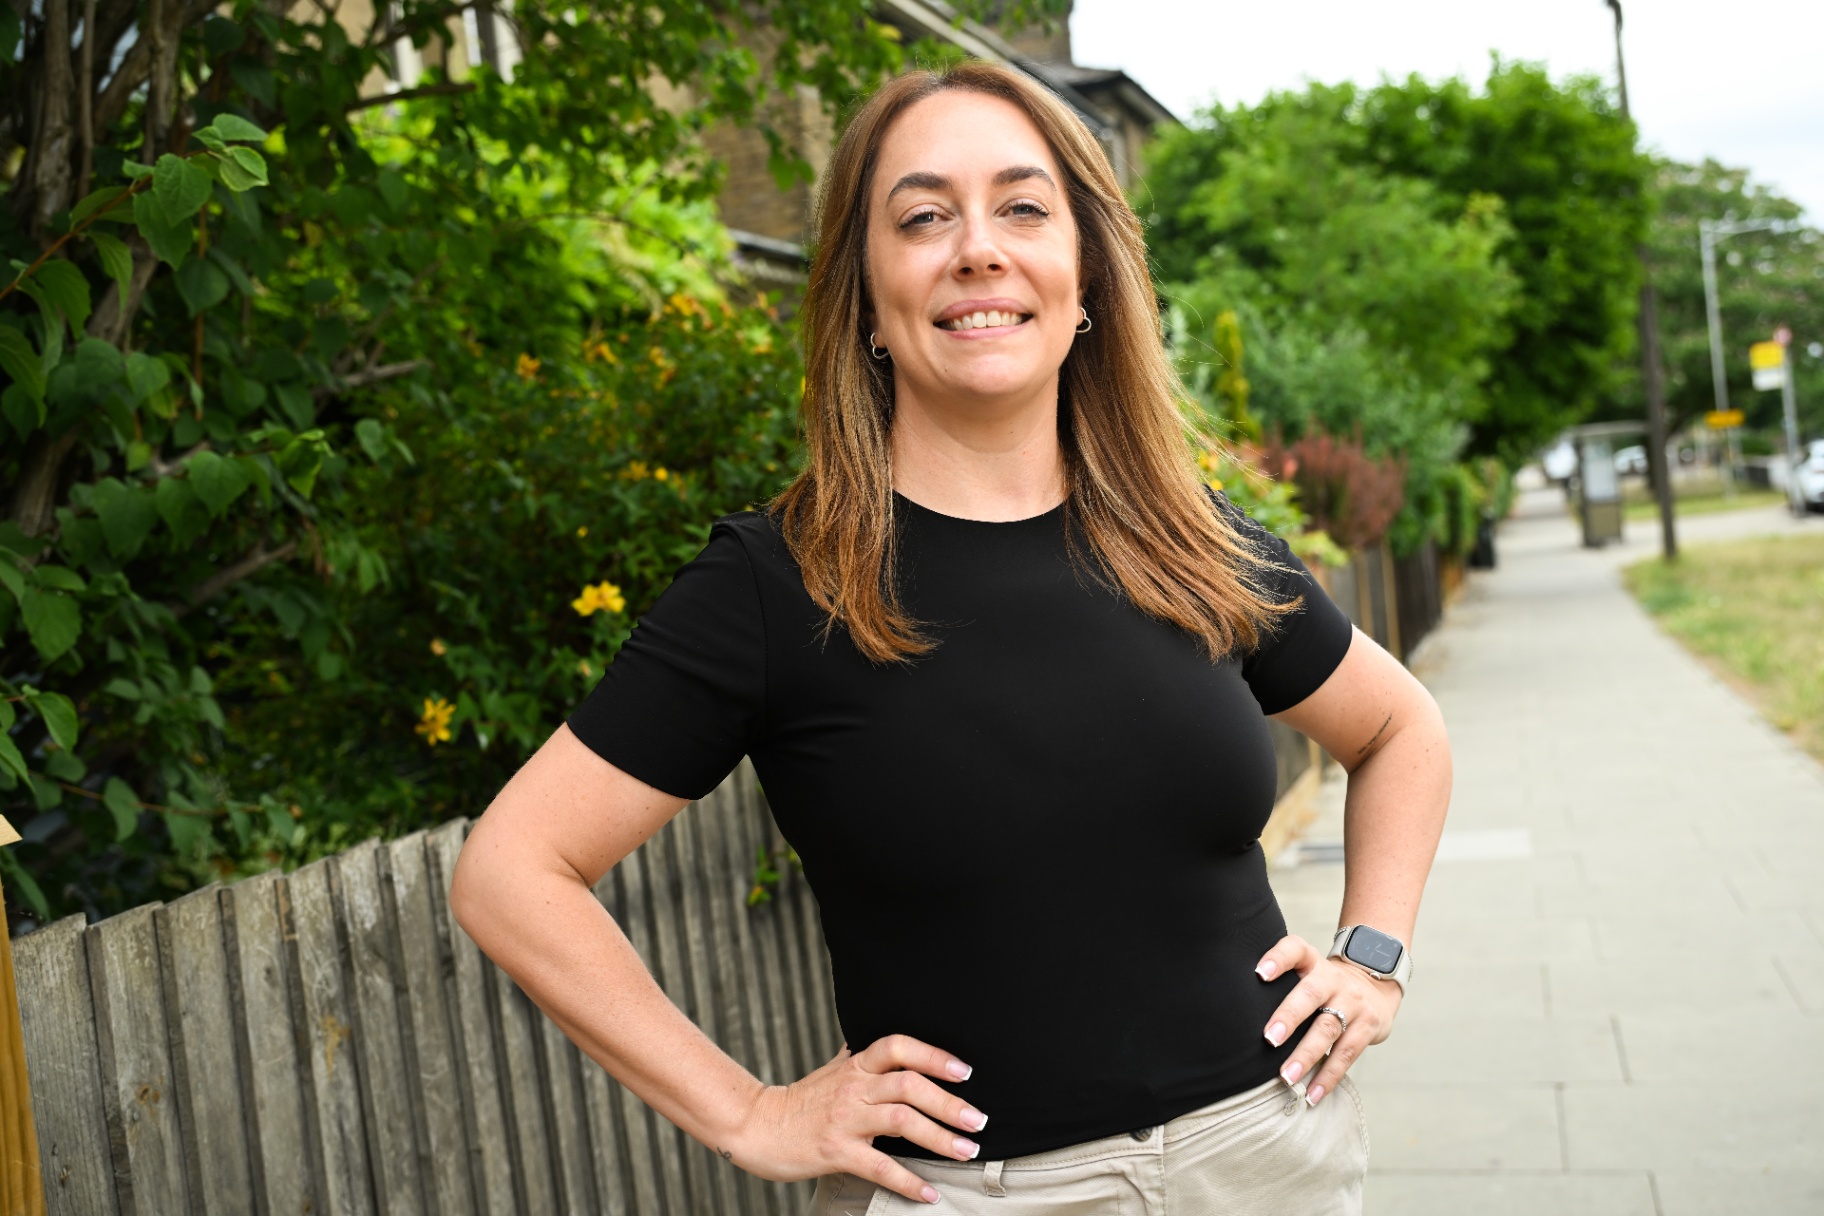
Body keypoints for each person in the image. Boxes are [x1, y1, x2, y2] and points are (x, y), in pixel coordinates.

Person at [450, 60, 1451, 1215]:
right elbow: (511, 872)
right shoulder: (776, 585)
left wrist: (1373, 959)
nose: (978, 248)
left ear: (1086, 279)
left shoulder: (1191, 538)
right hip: (977, 1194)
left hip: (1268, 1161)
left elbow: (1400, 729)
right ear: (866, 300)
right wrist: (748, 1111)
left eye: (1022, 207)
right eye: (924, 217)